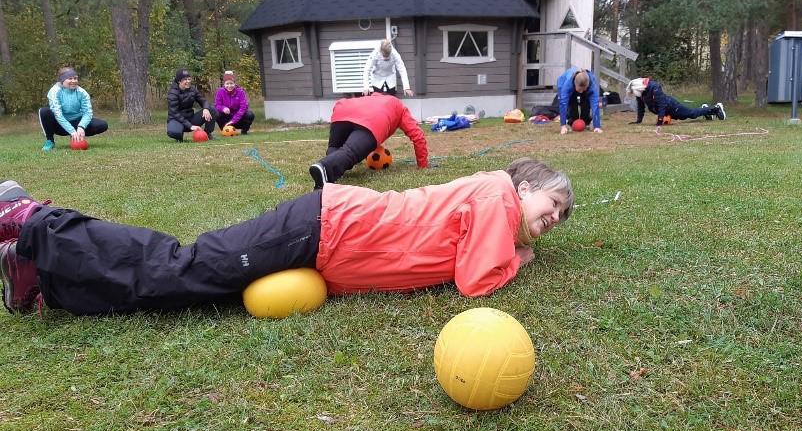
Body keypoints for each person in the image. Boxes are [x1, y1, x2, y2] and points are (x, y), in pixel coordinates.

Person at [0, 158, 573, 316]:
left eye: (556, 222)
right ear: (525, 187)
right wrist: (521, 254)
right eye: (552, 207)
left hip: (324, 245)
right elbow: (477, 283)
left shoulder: (495, 204)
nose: (550, 223)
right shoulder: (497, 196)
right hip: (324, 228)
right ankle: (34, 223)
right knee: (182, 265)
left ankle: (43, 281)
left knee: (194, 289)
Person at [308, 92, 429, 188]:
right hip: (372, 121)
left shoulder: (371, 98)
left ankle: (331, 167)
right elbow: (417, 136)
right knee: (350, 152)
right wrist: (422, 165)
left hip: (342, 111)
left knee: (335, 148)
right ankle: (323, 168)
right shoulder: (399, 106)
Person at [38, 67, 108, 152]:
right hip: (60, 125)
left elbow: (87, 113)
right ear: (62, 80)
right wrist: (71, 131)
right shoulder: (54, 91)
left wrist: (81, 126)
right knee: (44, 111)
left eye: (75, 78)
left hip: (77, 122)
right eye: (70, 78)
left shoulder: (82, 92)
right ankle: (50, 141)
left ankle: (75, 136)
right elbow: (58, 114)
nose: (73, 81)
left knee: (102, 125)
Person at [625, 77, 725, 126]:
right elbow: (641, 107)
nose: (634, 95)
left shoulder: (654, 87)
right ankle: (705, 109)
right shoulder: (640, 92)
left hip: (673, 107)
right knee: (689, 115)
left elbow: (662, 105)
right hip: (667, 111)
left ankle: (716, 108)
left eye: (633, 93)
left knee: (691, 114)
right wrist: (638, 121)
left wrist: (659, 121)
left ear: (637, 88)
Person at [167, 69, 217, 142]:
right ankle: (179, 136)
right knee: (174, 132)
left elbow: (203, 100)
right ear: (179, 81)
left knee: (211, 109)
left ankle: (207, 134)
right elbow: (174, 113)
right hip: (177, 120)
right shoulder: (173, 93)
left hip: (190, 118)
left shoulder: (193, 89)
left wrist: (206, 108)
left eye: (189, 79)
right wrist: (190, 126)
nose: (188, 81)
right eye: (185, 79)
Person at [556, 67, 602, 134]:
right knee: (571, 104)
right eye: (579, 89)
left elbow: (595, 104)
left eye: (583, 89)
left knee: (586, 103)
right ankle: (570, 122)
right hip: (563, 83)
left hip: (585, 87)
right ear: (575, 85)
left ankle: (587, 121)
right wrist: (563, 126)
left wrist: (597, 126)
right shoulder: (567, 85)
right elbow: (563, 104)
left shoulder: (592, 84)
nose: (581, 92)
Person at [214, 70, 254, 134]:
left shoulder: (240, 92)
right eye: (227, 83)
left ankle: (244, 131)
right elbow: (217, 105)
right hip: (226, 117)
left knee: (250, 114)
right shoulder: (220, 91)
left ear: (234, 84)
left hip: (238, 118)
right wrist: (223, 108)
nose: (229, 86)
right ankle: (224, 130)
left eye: (231, 83)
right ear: (224, 84)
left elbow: (243, 107)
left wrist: (233, 120)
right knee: (216, 113)